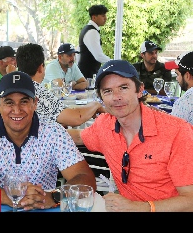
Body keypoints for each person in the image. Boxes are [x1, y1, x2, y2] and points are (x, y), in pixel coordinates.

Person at [0, 71, 96, 210]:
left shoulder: (54, 132)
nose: (17, 110)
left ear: (35, 103)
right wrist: (10, 196)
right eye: (9, 102)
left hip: (43, 208)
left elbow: (85, 178)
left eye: (24, 101)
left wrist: (54, 196)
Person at [70, 60, 193, 212]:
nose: (116, 97)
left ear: (140, 90)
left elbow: (190, 200)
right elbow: (79, 136)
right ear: (101, 98)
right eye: (107, 91)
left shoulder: (177, 132)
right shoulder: (104, 125)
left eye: (123, 88)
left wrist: (140, 208)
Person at [16, 43, 104, 128]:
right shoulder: (40, 93)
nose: (72, 58)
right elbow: (76, 118)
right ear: (40, 68)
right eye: (69, 55)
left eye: (73, 55)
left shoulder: (13, 88)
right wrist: (95, 105)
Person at [77, 4, 111, 79]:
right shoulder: (92, 32)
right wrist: (113, 63)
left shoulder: (87, 29)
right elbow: (98, 56)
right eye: (102, 16)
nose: (105, 18)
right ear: (94, 17)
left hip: (85, 72)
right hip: (88, 73)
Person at [165, 51, 193, 125]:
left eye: (177, 74)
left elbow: (172, 129)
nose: (177, 79)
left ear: (187, 75)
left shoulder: (186, 100)